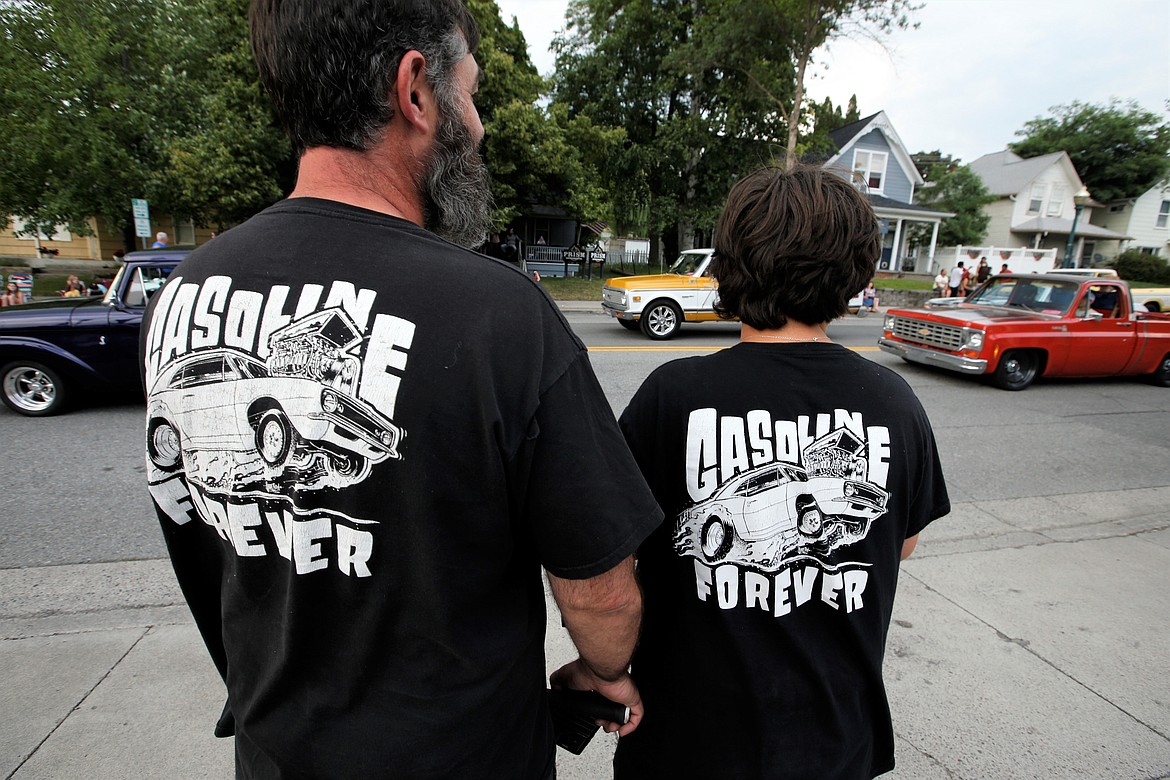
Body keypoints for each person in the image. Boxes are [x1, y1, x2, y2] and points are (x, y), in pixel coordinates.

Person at [140, 2, 662, 777]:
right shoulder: (499, 311)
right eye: (472, 92)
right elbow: (599, 589)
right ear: (414, 90)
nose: (479, 126)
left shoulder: (185, 293)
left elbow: (202, 533)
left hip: (277, 750)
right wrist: (605, 668)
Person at [613, 165, 950, 780]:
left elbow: (609, 553)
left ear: (730, 263)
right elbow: (900, 543)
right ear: (857, 273)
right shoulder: (893, 400)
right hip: (832, 738)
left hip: (688, 740)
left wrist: (602, 668)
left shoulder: (674, 396)